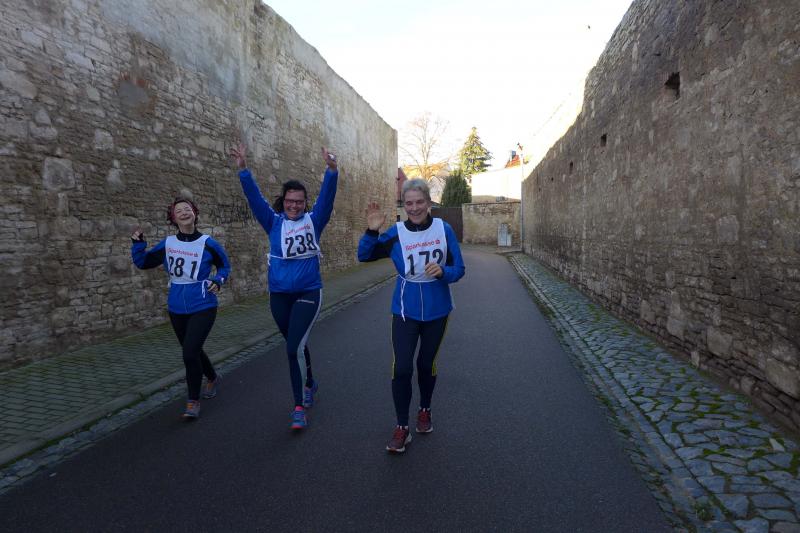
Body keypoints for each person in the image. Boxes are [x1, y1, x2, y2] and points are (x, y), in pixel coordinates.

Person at [230, 143, 338, 430]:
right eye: (290, 201)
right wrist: (243, 170)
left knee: (292, 348)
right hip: (279, 295)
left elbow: (327, 199)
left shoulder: (315, 221)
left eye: (299, 202)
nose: (294, 206)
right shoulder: (273, 223)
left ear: (305, 203)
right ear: (283, 201)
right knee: (296, 344)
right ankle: (310, 382)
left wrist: (331, 171)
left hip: (308, 292)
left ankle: (299, 406)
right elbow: (254, 199)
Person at [358, 178, 465, 453]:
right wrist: (371, 231)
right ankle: (402, 427)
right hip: (405, 310)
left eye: (419, 202)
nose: (414, 208)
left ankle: (425, 409)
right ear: (403, 205)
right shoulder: (396, 233)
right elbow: (364, 256)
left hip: (438, 309)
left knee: (426, 365)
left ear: (428, 202)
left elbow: (459, 269)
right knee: (402, 367)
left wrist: (444, 272)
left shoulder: (444, 229)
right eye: (409, 203)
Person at [130, 198, 231, 419]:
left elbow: (225, 265)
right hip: (176, 306)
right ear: (173, 218)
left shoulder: (208, 243)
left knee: (189, 353)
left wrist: (218, 280)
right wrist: (138, 244)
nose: (184, 212)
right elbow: (143, 262)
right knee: (192, 349)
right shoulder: (168, 244)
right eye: (179, 211)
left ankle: (193, 400)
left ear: (195, 213)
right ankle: (212, 377)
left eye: (188, 209)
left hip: (203, 304)